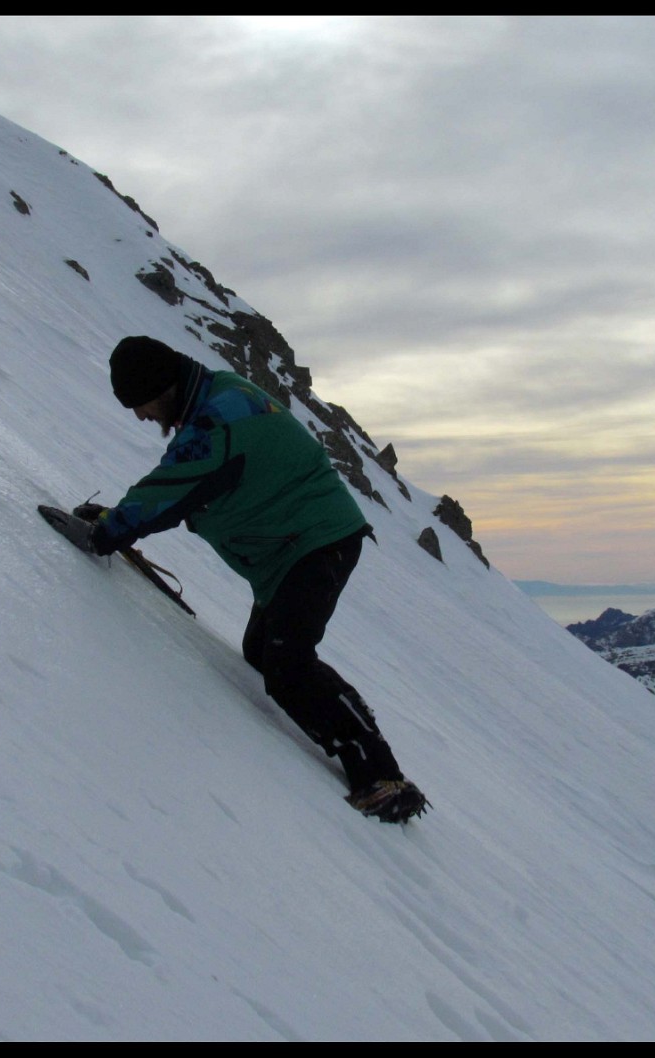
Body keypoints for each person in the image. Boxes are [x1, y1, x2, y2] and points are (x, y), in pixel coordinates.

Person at [76, 335, 429, 823]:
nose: (140, 415)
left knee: (286, 663)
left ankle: (382, 777)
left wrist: (106, 533)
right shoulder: (218, 395)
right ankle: (344, 725)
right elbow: (178, 480)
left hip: (314, 542)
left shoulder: (217, 420)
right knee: (263, 652)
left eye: (141, 403)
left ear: (163, 385)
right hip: (296, 546)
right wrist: (118, 519)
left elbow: (170, 490)